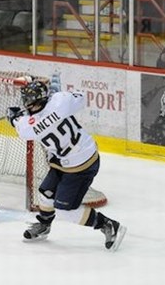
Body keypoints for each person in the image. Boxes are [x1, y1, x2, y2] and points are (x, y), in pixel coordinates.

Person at [7, 79, 127, 251]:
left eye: (28, 102)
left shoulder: (28, 126)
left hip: (81, 165)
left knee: (66, 211)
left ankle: (108, 225)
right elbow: (81, 98)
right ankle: (44, 226)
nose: (26, 105)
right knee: (45, 193)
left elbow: (23, 126)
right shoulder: (60, 100)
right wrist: (59, 96)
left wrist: (14, 118)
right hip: (69, 157)